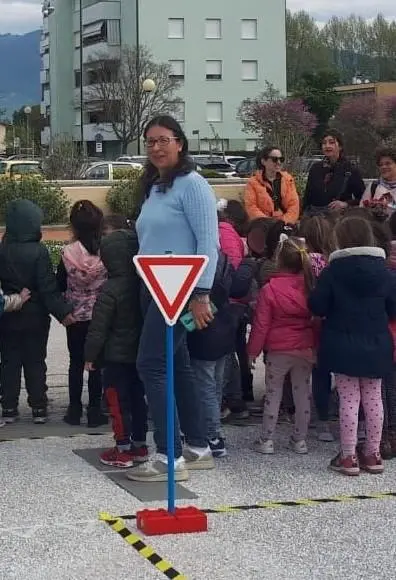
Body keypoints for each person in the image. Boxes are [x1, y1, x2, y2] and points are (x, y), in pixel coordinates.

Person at [127, 115, 219, 483]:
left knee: (151, 364)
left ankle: (169, 456)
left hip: (182, 289)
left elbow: (207, 243)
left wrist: (201, 294)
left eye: (163, 140)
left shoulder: (193, 185)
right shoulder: (156, 186)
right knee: (176, 365)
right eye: (149, 142)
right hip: (154, 286)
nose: (156, 147)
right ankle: (197, 446)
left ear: (180, 143)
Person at [309, 216, 396, 476]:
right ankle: (373, 453)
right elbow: (393, 307)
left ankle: (348, 456)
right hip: (377, 340)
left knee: (349, 398)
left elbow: (317, 306)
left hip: (342, 342)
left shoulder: (333, 271)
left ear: (339, 239)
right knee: (373, 398)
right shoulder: (384, 272)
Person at [0, 199, 74, 424]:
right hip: (35, 317)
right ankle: (38, 406)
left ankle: (10, 407)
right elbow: (48, 288)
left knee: (10, 361)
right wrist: (63, 313)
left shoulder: (2, 250)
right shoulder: (39, 251)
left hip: (9, 315)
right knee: (35, 360)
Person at [84, 229, 148, 468]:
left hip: (115, 357)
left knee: (117, 402)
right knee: (139, 399)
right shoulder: (144, 284)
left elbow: (98, 327)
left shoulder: (110, 289)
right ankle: (140, 445)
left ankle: (122, 448)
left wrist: (90, 356)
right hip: (139, 354)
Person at [247, 236, 315, 454]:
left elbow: (261, 325)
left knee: (273, 393)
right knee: (302, 393)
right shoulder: (311, 287)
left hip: (278, 350)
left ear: (279, 259)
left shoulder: (270, 289)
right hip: (305, 347)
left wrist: (252, 352)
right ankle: (300, 440)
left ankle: (266, 440)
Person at [57, 200, 108, 427]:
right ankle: (95, 410)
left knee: (75, 363)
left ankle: (74, 409)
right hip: (100, 315)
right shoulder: (106, 252)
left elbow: (59, 284)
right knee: (96, 364)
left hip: (74, 316)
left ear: (74, 226)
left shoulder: (67, 254)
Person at [188, 251, 237, 457]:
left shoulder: (198, 262)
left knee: (206, 387)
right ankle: (215, 430)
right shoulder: (224, 259)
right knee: (215, 385)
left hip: (204, 330)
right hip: (223, 327)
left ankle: (212, 435)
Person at [298, 215, 335, 441]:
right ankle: (331, 417)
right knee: (330, 371)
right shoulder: (333, 260)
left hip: (306, 319)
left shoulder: (303, 259)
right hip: (330, 319)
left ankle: (315, 418)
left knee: (316, 371)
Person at [303, 130, 365, 215]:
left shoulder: (350, 169)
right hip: (314, 217)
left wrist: (345, 204)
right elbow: (307, 196)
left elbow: (363, 198)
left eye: (331, 142)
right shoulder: (315, 168)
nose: (327, 146)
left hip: (338, 219)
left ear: (340, 146)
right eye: (324, 143)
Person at [244, 147, 300, 224]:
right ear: (263, 161)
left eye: (281, 159)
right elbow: (251, 207)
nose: (279, 162)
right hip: (263, 226)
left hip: (285, 225)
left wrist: (283, 223)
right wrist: (268, 224)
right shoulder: (253, 182)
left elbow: (294, 206)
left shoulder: (288, 180)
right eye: (274, 159)